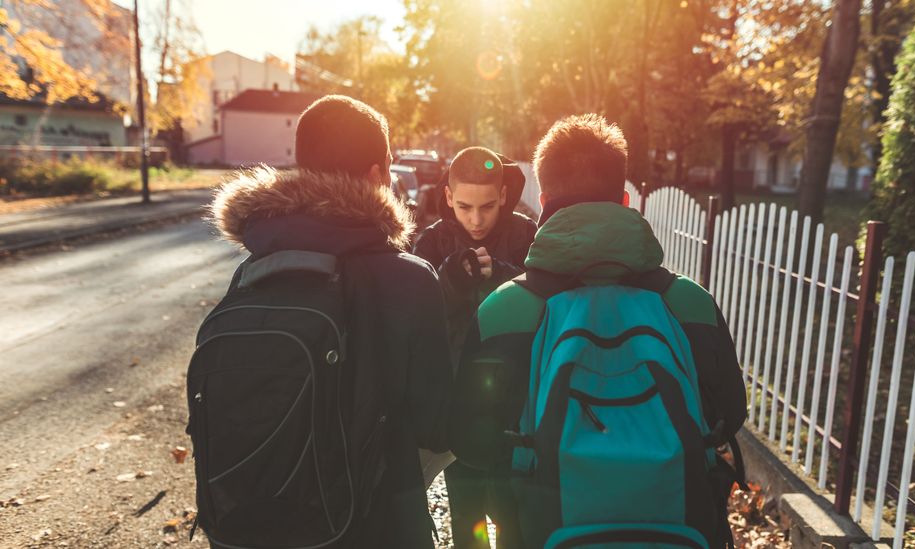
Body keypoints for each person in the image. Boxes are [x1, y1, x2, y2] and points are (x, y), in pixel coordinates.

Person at [448, 114, 747, 548]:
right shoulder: (689, 304)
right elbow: (730, 414)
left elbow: (469, 443)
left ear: (545, 198)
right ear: (624, 200)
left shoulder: (505, 311)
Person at [205, 95, 453, 549]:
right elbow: (437, 424)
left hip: (255, 519)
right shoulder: (408, 279)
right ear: (378, 175)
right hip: (376, 522)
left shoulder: (253, 271)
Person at [413, 146, 537, 549]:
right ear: (448, 198)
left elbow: (545, 302)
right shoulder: (431, 243)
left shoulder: (526, 235)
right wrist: (448, 283)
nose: (476, 219)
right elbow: (414, 323)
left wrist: (502, 277)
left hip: (516, 404)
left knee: (514, 518)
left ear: (503, 194)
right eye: (465, 206)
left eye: (487, 206)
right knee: (467, 522)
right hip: (456, 402)